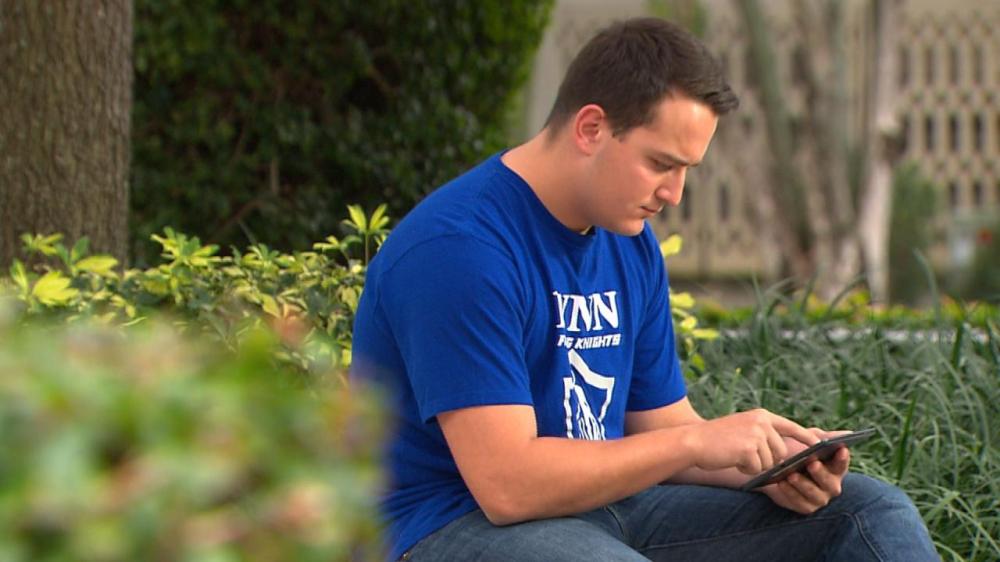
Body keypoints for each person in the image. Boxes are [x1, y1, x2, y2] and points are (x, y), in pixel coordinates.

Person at [350, 17, 938, 562]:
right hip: (447, 524)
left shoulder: (626, 241)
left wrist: (766, 463)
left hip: (605, 511)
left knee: (867, 513)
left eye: (687, 169)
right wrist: (694, 446)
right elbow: (508, 485)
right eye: (661, 164)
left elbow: (658, 428)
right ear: (591, 128)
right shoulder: (460, 249)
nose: (675, 194)